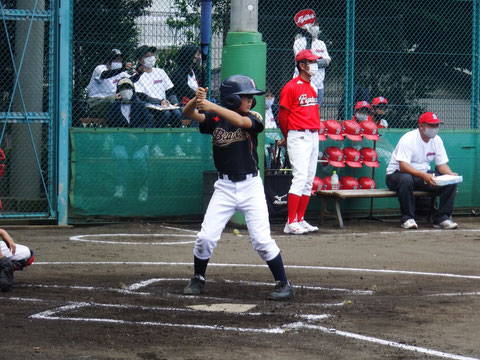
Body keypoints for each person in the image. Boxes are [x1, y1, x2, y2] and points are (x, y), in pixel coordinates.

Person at [181, 74, 294, 301]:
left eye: (251, 98)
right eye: (245, 97)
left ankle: (284, 283)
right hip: (224, 187)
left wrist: (210, 104)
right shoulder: (214, 119)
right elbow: (188, 114)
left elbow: (241, 122)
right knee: (205, 237)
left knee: (262, 240)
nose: (251, 101)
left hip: (251, 186)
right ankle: (198, 278)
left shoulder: (254, 116)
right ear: (231, 99)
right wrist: (197, 99)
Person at [385, 112, 458, 229]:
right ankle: (408, 218)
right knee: (406, 178)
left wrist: (450, 175)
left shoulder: (437, 140)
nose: (435, 129)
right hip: (396, 175)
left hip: (421, 176)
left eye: (437, 125)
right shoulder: (408, 138)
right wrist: (423, 175)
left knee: (452, 182)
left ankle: (442, 218)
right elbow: (403, 166)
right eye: (431, 125)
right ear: (421, 126)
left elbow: (441, 165)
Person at [278, 49, 321, 235]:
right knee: (300, 177)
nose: (314, 65)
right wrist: (288, 136)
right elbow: (282, 116)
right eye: (311, 62)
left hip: (313, 135)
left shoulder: (312, 86)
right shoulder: (291, 86)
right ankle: (290, 222)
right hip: (298, 134)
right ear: (302, 65)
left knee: (309, 179)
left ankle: (300, 219)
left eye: (314, 61)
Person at [106, 78, 156, 202]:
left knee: (139, 158)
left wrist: (137, 132)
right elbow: (110, 122)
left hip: (139, 143)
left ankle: (143, 187)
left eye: (128, 88)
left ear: (133, 90)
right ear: (118, 91)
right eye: (122, 88)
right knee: (120, 155)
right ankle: (120, 186)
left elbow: (150, 121)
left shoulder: (139, 105)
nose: (125, 91)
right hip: (121, 143)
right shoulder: (114, 107)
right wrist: (114, 101)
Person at [133, 45, 183, 128]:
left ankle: (177, 139)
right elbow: (142, 96)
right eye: (147, 56)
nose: (151, 58)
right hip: (149, 106)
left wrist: (174, 102)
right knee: (165, 114)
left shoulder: (160, 71)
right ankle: (159, 139)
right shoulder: (137, 75)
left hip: (164, 105)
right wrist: (160, 101)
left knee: (177, 113)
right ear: (140, 60)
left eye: (152, 55)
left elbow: (170, 91)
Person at [293, 19, 331, 106]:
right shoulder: (298, 42)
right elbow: (301, 60)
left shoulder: (321, 43)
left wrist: (313, 62)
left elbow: (327, 61)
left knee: (315, 114)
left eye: (317, 24)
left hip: (318, 85)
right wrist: (319, 61)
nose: (316, 27)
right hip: (302, 84)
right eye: (313, 24)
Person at [86, 48, 132, 119]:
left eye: (120, 60)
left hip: (113, 100)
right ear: (109, 61)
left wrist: (139, 73)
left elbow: (131, 80)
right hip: (96, 101)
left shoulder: (120, 72)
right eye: (116, 60)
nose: (119, 62)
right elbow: (105, 75)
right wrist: (122, 69)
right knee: (113, 100)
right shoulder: (100, 68)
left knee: (126, 101)